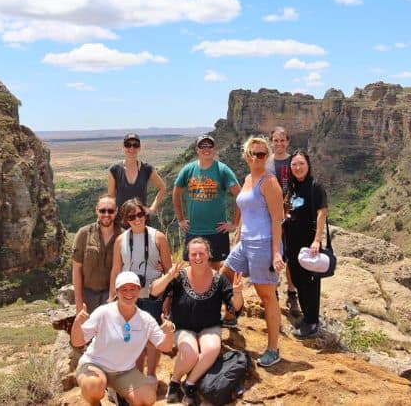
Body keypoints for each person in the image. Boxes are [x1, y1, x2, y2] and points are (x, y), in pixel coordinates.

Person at [150, 238, 244, 405]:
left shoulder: (219, 279)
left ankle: (190, 384)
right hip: (183, 327)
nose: (198, 257)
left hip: (210, 326)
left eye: (202, 253)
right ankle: (175, 381)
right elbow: (154, 292)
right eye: (194, 254)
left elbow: (235, 308)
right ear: (188, 256)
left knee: (211, 349)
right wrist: (169, 276)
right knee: (190, 354)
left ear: (209, 255)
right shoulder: (179, 276)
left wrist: (237, 293)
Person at [221, 137, 285, 367]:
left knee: (266, 295)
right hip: (245, 241)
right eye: (252, 153)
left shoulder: (269, 182)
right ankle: (231, 315)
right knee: (225, 274)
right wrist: (237, 235)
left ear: (266, 156)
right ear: (246, 155)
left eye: (261, 154)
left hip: (263, 243)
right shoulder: (248, 178)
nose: (256, 158)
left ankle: (273, 348)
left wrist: (276, 253)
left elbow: (278, 219)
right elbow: (246, 212)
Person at [72, 271, 175, 406]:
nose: (129, 293)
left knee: (147, 398)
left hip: (124, 371)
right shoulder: (103, 312)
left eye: (133, 288)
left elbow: (165, 347)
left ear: (139, 290)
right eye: (124, 289)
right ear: (117, 291)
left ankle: (120, 395)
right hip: (95, 365)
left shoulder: (145, 319)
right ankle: (95, 403)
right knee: (94, 386)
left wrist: (169, 331)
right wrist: (77, 323)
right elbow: (77, 342)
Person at [109, 198, 173, 380]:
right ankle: (136, 375)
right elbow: (115, 269)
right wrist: (111, 296)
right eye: (132, 216)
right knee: (133, 338)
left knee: (153, 337)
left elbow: (169, 270)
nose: (137, 219)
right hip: (129, 297)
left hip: (153, 294)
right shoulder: (121, 240)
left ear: (145, 214)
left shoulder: (158, 237)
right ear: (125, 220)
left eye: (140, 214)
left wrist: (169, 297)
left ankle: (151, 375)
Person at [173, 134, 241, 270]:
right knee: (194, 265)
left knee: (216, 265)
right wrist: (180, 219)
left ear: (214, 149)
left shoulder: (222, 170)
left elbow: (239, 195)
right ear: (197, 150)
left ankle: (214, 291)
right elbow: (176, 193)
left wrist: (234, 223)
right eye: (202, 146)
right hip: (194, 230)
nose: (206, 149)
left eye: (209, 146)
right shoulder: (188, 170)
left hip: (216, 230)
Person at [284, 149, 329, 338]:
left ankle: (312, 322)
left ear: (308, 165)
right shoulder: (292, 187)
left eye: (301, 163)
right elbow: (289, 207)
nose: (298, 167)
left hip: (308, 241)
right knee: (297, 278)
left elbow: (321, 213)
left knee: (310, 281)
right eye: (294, 164)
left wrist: (317, 239)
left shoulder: (315, 186)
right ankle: (306, 316)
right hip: (292, 241)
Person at [265, 126, 301, 318]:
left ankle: (292, 293)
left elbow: (300, 185)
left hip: (291, 216)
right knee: (275, 254)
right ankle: (274, 292)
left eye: (282, 140)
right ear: (271, 142)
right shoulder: (266, 162)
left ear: (287, 141)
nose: (279, 144)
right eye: (276, 140)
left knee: (292, 256)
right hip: (270, 216)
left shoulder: (292, 161)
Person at [72, 194, 122, 313]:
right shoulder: (84, 234)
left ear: (116, 212)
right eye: (102, 210)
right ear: (96, 211)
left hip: (112, 296)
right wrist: (79, 302)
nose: (106, 214)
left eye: (110, 211)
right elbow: (76, 269)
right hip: (88, 296)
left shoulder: (123, 236)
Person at [108, 133, 167, 216]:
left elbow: (163, 188)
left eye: (135, 145)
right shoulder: (114, 170)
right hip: (121, 222)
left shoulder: (147, 169)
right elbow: (111, 198)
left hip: (141, 220)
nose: (131, 148)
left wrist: (152, 209)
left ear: (139, 148)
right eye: (128, 145)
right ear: (123, 147)